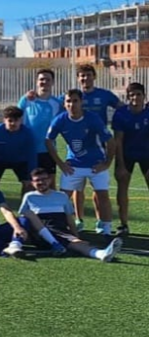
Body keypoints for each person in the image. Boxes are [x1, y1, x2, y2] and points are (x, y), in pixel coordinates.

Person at [46, 89, 115, 235]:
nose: (72, 104)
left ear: (81, 102)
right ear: (64, 104)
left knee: (102, 195)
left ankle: (107, 229)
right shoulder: (60, 120)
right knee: (63, 198)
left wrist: (107, 163)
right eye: (68, 101)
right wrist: (60, 163)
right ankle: (60, 227)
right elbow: (48, 140)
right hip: (73, 165)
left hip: (96, 164)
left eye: (75, 101)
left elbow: (110, 139)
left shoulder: (93, 118)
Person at [19, 168, 122, 262]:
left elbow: (69, 219)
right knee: (75, 243)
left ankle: (101, 253)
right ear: (32, 183)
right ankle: (101, 254)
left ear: (50, 180)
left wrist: (76, 235)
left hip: (60, 230)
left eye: (44, 179)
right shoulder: (29, 197)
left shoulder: (61, 196)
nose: (41, 182)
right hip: (42, 233)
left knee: (77, 242)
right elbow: (24, 218)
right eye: (37, 180)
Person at [72, 65, 123, 230]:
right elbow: (55, 103)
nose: (85, 79)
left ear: (94, 77)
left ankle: (100, 220)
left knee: (98, 186)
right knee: (78, 186)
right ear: (78, 78)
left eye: (88, 75)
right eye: (82, 76)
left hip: (98, 147)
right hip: (76, 148)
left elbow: (122, 107)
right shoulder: (73, 96)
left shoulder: (104, 95)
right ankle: (79, 220)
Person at [111, 82, 149, 236]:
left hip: (146, 154)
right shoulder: (121, 114)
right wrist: (120, 165)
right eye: (132, 95)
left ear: (144, 96)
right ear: (127, 97)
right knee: (122, 187)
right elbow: (118, 141)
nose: (135, 97)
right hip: (126, 154)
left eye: (138, 94)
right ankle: (124, 224)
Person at [19, 69, 63, 189]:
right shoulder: (26, 100)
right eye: (41, 79)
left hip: (48, 150)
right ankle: (27, 208)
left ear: (53, 82)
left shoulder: (57, 103)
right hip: (29, 149)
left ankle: (52, 208)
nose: (44, 82)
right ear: (37, 82)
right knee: (29, 184)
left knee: (50, 183)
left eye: (48, 79)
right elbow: (16, 119)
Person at [0, 106, 37, 194]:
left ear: (21, 120)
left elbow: (32, 156)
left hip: (20, 161)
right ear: (4, 120)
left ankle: (26, 206)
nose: (13, 123)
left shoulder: (28, 133)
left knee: (30, 184)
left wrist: (30, 176)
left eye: (16, 120)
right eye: (10, 121)